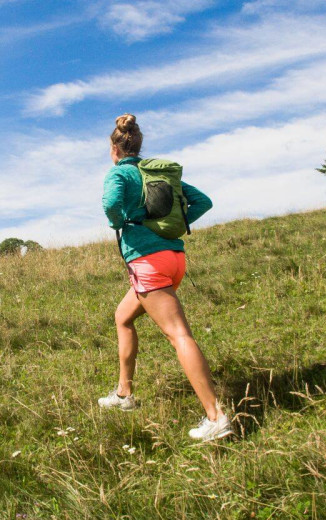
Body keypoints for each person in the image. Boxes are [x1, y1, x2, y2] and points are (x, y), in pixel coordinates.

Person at [99, 113, 232, 442]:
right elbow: (203, 201)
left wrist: (128, 222)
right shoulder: (157, 175)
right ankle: (123, 395)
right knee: (123, 317)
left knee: (178, 335)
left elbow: (111, 205)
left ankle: (216, 418)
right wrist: (172, 223)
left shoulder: (119, 174)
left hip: (148, 262)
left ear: (114, 150)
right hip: (174, 259)